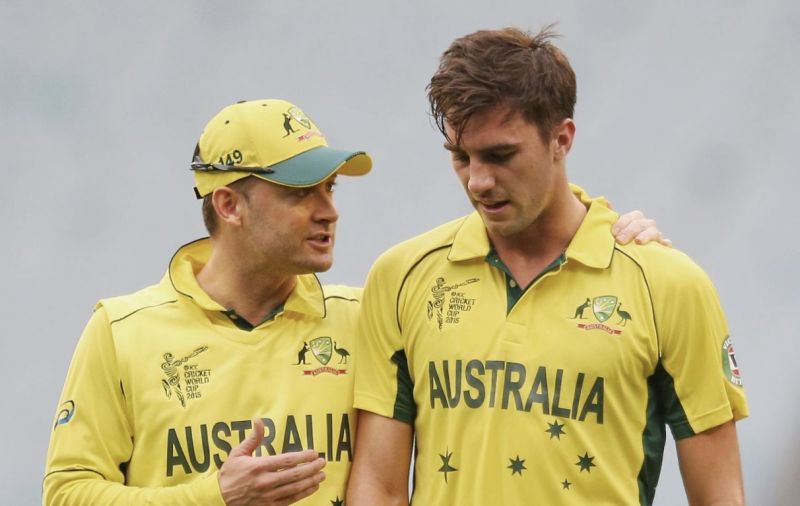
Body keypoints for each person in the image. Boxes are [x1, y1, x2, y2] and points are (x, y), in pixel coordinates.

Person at [43, 97, 667, 506]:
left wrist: (614, 235)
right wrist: (213, 496)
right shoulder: (122, 332)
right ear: (229, 205)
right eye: (300, 193)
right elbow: (66, 494)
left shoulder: (367, 316)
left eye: (331, 187)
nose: (329, 210)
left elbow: (523, 331)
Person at [347, 27, 748, 506]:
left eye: (501, 155)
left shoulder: (668, 284)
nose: (478, 180)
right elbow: (379, 487)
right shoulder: (402, 276)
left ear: (561, 138)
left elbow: (720, 495)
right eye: (461, 157)